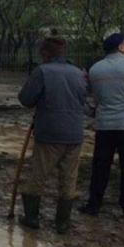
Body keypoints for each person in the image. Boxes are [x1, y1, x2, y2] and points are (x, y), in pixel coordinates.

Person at [17, 35, 87, 234]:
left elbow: (26, 99)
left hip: (49, 133)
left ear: (45, 53)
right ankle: (62, 223)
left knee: (39, 174)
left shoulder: (42, 71)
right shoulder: (78, 73)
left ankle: (32, 218)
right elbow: (82, 99)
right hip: (74, 133)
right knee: (69, 178)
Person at [80, 33, 124, 218]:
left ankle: (94, 204)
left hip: (103, 125)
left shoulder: (95, 69)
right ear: (120, 47)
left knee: (101, 166)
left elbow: (94, 97)